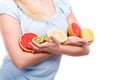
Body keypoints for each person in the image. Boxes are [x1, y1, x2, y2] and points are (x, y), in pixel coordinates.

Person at [0, 0, 90, 80]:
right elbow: (19, 61)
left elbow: (84, 49)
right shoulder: (9, 6)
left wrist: (59, 48)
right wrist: (61, 45)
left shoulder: (61, 4)